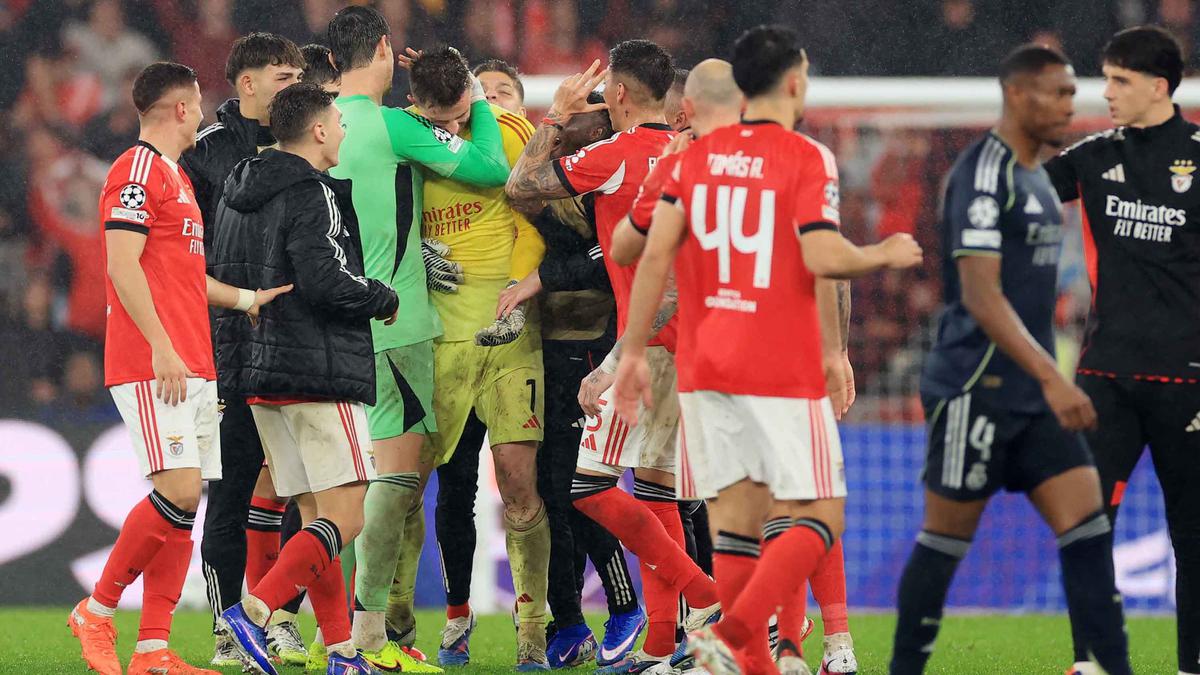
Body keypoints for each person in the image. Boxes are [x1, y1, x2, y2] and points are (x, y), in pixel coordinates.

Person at [611, 26, 922, 675]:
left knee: (735, 528)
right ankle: (731, 633)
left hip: (703, 368)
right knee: (821, 512)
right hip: (778, 364)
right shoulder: (806, 157)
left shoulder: (691, 158)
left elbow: (640, 251)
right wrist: (879, 254)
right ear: (790, 81)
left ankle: (749, 661)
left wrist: (634, 350)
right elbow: (822, 256)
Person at [885, 45, 1132, 675]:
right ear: (1019, 95)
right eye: (1061, 94)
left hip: (1033, 398)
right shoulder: (983, 173)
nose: (1072, 107)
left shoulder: (1037, 180)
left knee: (1088, 529)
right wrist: (1056, 377)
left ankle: (1106, 666)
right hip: (976, 387)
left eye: (1075, 95)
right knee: (944, 542)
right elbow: (981, 295)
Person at [507, 41, 720, 674]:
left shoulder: (619, 154)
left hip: (646, 348)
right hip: (695, 343)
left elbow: (521, 186)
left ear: (618, 94)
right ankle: (661, 646)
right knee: (657, 493)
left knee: (588, 486)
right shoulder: (692, 156)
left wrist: (556, 113)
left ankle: (711, 600)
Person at [71, 61, 287, 675]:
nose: (203, 113)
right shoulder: (136, 168)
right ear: (182, 109)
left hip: (195, 361)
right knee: (180, 491)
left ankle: (153, 650)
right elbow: (121, 263)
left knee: (184, 509)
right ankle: (98, 608)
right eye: (198, 104)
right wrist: (162, 346)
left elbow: (186, 274)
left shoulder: (179, 180)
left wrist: (247, 300)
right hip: (153, 361)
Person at [322, 5, 510, 671]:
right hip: (395, 324)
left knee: (345, 483)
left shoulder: (311, 122)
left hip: (326, 326)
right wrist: (477, 94)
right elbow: (491, 167)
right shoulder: (395, 126)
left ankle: (331, 627)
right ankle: (364, 636)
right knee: (396, 479)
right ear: (380, 48)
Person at [213, 82, 399, 675]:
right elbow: (326, 282)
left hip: (263, 373)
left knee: (317, 512)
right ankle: (254, 609)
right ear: (318, 131)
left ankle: (343, 651)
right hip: (317, 371)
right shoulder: (313, 193)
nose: (343, 131)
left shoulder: (234, 192)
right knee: (346, 518)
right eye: (338, 123)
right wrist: (381, 296)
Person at [383, 49, 550, 669]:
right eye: (441, 120)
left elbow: (536, 219)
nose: (451, 132)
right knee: (406, 486)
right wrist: (412, 249)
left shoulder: (510, 133)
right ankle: (395, 619)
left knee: (517, 481)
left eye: (460, 117)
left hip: (509, 334)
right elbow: (376, 214)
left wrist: (515, 287)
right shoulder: (403, 136)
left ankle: (530, 629)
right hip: (432, 339)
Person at [1041, 25, 1200, 675]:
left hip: (1188, 379)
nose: (1104, 92)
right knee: (1083, 525)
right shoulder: (1092, 157)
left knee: (1192, 537)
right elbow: (1012, 192)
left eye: (1119, 81)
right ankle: (1092, 660)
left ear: (1158, 87)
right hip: (1104, 377)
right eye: (1104, 78)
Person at [177, 32, 308, 669]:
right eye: (284, 77)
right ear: (247, 84)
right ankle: (229, 623)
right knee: (230, 495)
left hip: (301, 339)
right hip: (230, 344)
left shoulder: (311, 141)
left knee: (304, 491)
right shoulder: (204, 157)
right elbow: (185, 260)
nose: (296, 86)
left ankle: (280, 616)